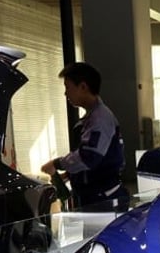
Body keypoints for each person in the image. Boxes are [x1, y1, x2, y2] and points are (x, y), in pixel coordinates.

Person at [40, 62, 129, 213]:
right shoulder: (90, 118)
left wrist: (57, 164)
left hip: (103, 200)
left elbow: (90, 157)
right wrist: (69, 174)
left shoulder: (100, 119)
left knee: (98, 236)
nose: (65, 93)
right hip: (95, 197)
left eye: (68, 87)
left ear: (83, 87)